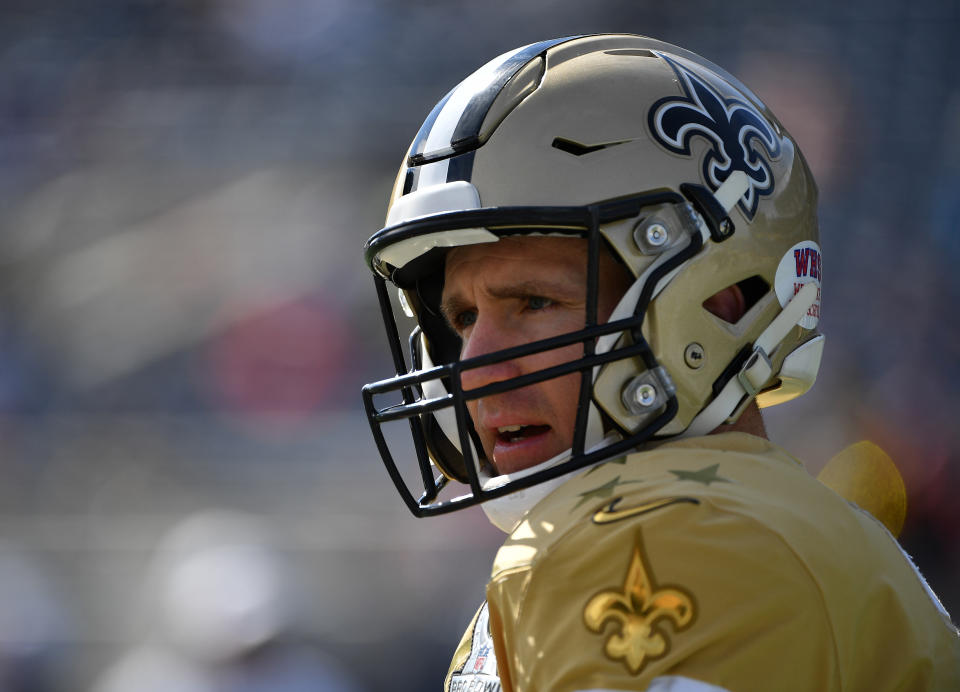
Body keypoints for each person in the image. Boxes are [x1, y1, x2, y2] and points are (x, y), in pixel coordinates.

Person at [361, 34, 960, 691]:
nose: (472, 368)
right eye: (463, 319)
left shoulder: (672, 535)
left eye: (533, 302)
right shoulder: (744, 523)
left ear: (719, 302)